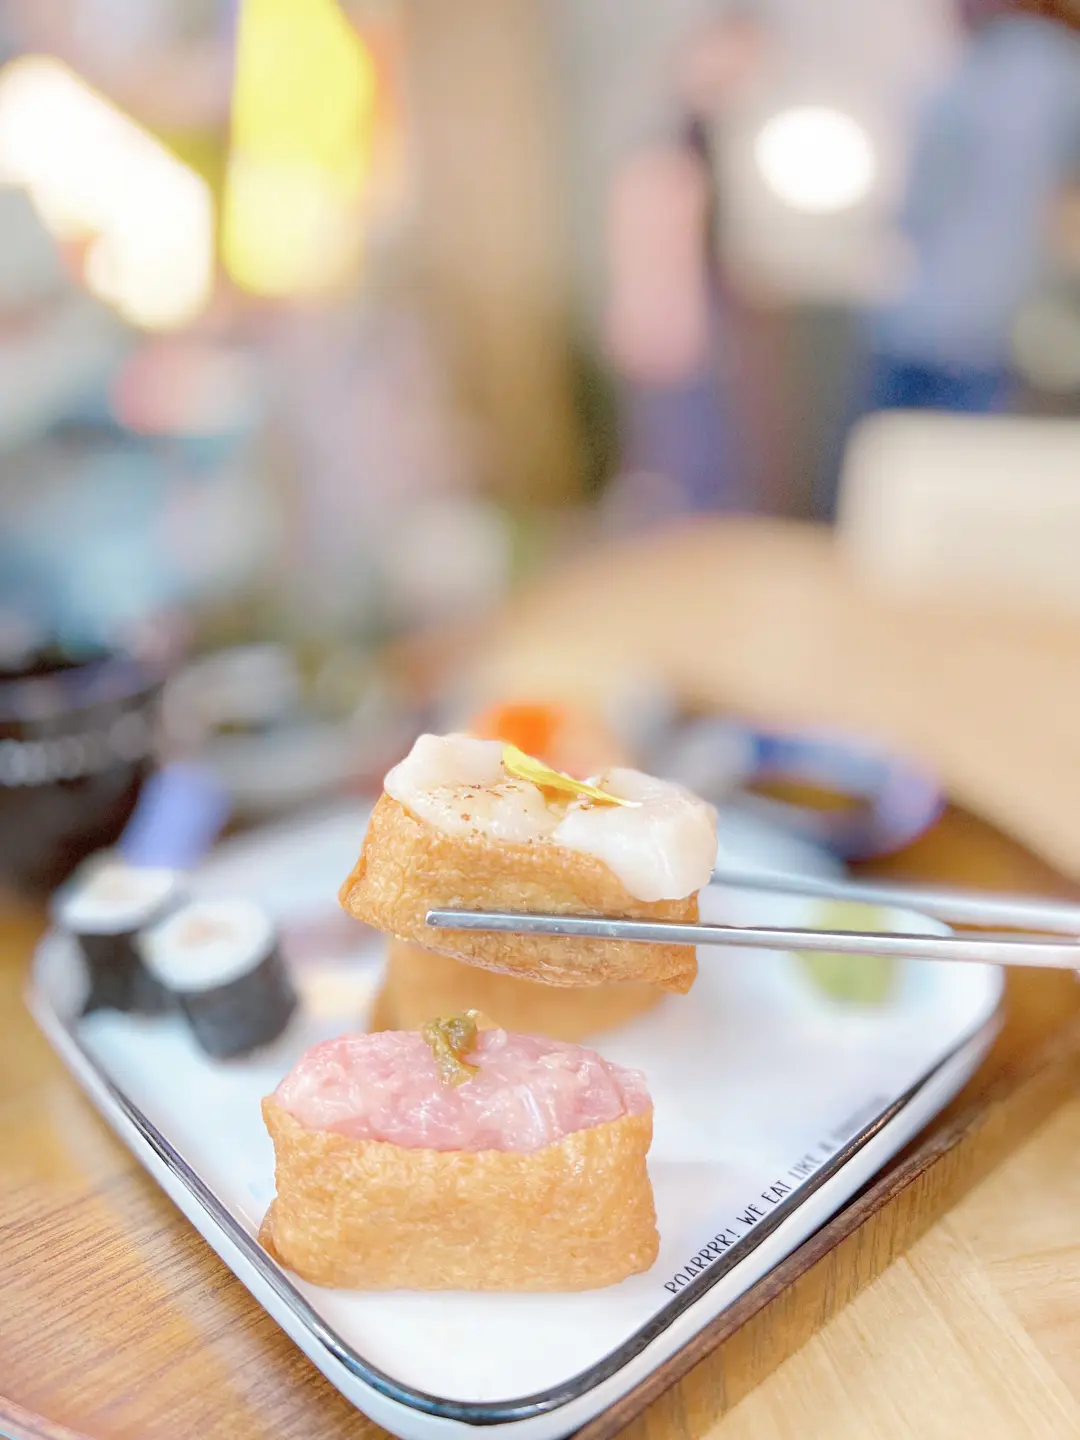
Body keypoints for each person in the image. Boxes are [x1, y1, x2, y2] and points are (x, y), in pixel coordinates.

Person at [822, 0, 1080, 518]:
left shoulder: (960, 78)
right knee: (961, 485)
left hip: (926, 315)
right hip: (986, 320)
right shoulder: (1054, 73)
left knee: (876, 478)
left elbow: (915, 206)